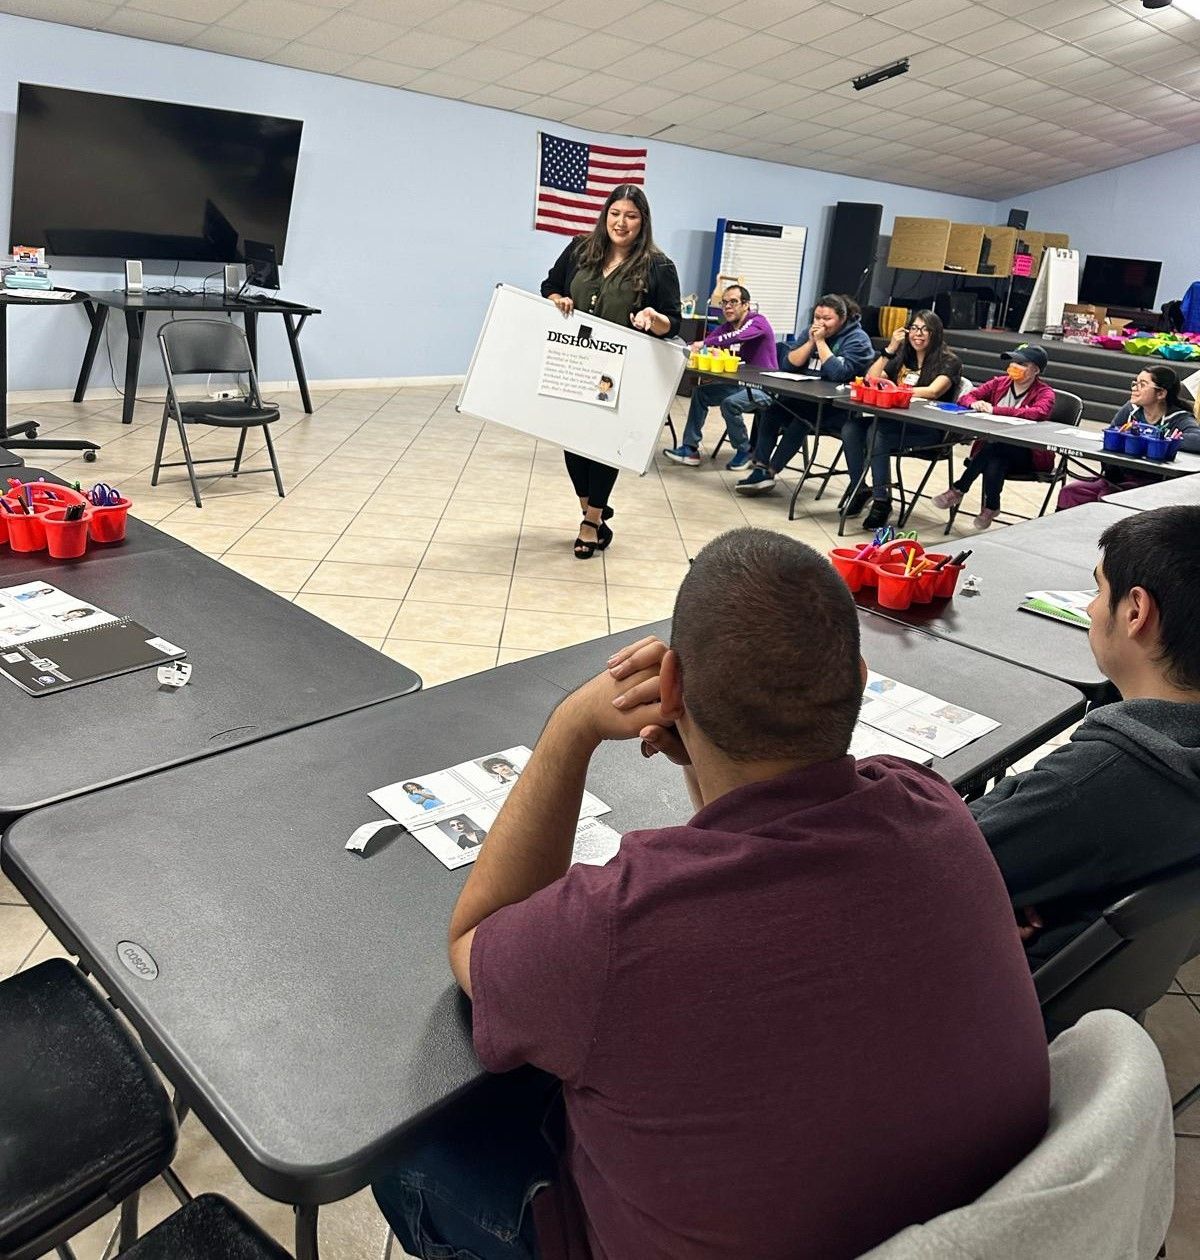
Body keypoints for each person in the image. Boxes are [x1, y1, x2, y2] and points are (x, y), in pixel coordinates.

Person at [372, 528, 1049, 1260]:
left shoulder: (616, 927)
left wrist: (571, 728)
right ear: (857, 679)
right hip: (948, 1216)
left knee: (407, 1148)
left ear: (670, 693)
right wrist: (704, 751)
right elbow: (767, 855)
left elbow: (475, 943)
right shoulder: (932, 803)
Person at [970, 506, 1200, 971]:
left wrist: (979, 905)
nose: (1093, 607)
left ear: (1136, 611)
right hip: (1097, 980)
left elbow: (916, 865)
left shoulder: (1089, 787)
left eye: (1099, 589)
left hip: (997, 995)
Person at [541, 184, 682, 559]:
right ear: (606, 215)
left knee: (602, 443)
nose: (621, 223)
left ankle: (590, 523)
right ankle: (594, 508)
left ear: (643, 222)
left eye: (631, 216)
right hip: (574, 363)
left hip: (621, 370)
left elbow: (676, 322)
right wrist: (559, 300)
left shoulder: (659, 266)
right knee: (572, 439)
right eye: (615, 214)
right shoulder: (579, 249)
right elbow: (549, 285)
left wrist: (655, 319)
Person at [734, 294, 876, 495]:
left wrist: (821, 343)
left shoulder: (858, 340)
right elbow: (788, 364)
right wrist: (810, 342)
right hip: (802, 397)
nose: (820, 323)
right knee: (771, 412)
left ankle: (771, 471)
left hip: (835, 408)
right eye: (817, 317)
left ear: (842, 319)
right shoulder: (810, 332)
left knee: (801, 422)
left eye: (827, 319)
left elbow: (839, 373)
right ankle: (760, 467)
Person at [838, 309, 963, 530]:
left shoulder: (949, 361)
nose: (918, 334)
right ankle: (860, 489)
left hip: (928, 429)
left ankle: (882, 500)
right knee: (851, 428)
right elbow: (870, 380)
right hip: (895, 422)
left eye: (926, 329)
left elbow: (934, 391)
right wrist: (889, 351)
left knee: (876, 433)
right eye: (914, 328)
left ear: (936, 334)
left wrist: (897, 390)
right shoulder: (903, 357)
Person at [931, 345, 1056, 529]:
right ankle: (991, 507)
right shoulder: (999, 383)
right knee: (995, 456)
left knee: (994, 449)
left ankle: (959, 488)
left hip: (1028, 455)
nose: (1014, 366)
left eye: (1021, 363)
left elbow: (1038, 413)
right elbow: (966, 397)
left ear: (1036, 369)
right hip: (995, 451)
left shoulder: (1045, 393)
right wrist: (975, 403)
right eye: (1013, 362)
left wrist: (995, 410)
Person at [663, 284, 776, 471]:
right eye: (724, 303)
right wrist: (685, 348)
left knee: (730, 403)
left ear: (746, 305)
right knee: (700, 393)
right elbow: (703, 345)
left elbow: (735, 337)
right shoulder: (726, 327)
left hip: (764, 388)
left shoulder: (758, 322)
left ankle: (745, 450)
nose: (728, 307)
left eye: (733, 302)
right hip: (739, 384)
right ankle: (690, 449)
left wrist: (704, 343)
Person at [1057, 366, 1200, 509]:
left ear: (1161, 393)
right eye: (1135, 383)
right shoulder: (1131, 410)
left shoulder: (1178, 418)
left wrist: (1154, 438)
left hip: (1151, 484)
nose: (1135, 388)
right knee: (1071, 492)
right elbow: (1113, 430)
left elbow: (1197, 440)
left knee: (1107, 497)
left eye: (1142, 385)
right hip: (1117, 477)